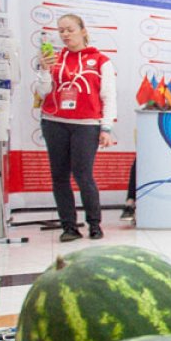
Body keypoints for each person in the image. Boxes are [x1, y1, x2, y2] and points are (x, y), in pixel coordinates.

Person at [36, 13, 117, 242]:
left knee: (83, 175)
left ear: (82, 30)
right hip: (54, 122)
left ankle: (94, 224)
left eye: (70, 29)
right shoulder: (54, 59)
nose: (65, 34)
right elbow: (42, 92)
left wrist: (106, 128)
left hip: (86, 125)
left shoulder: (100, 60)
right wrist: (43, 70)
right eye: (61, 30)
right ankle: (69, 227)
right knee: (59, 176)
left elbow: (109, 96)